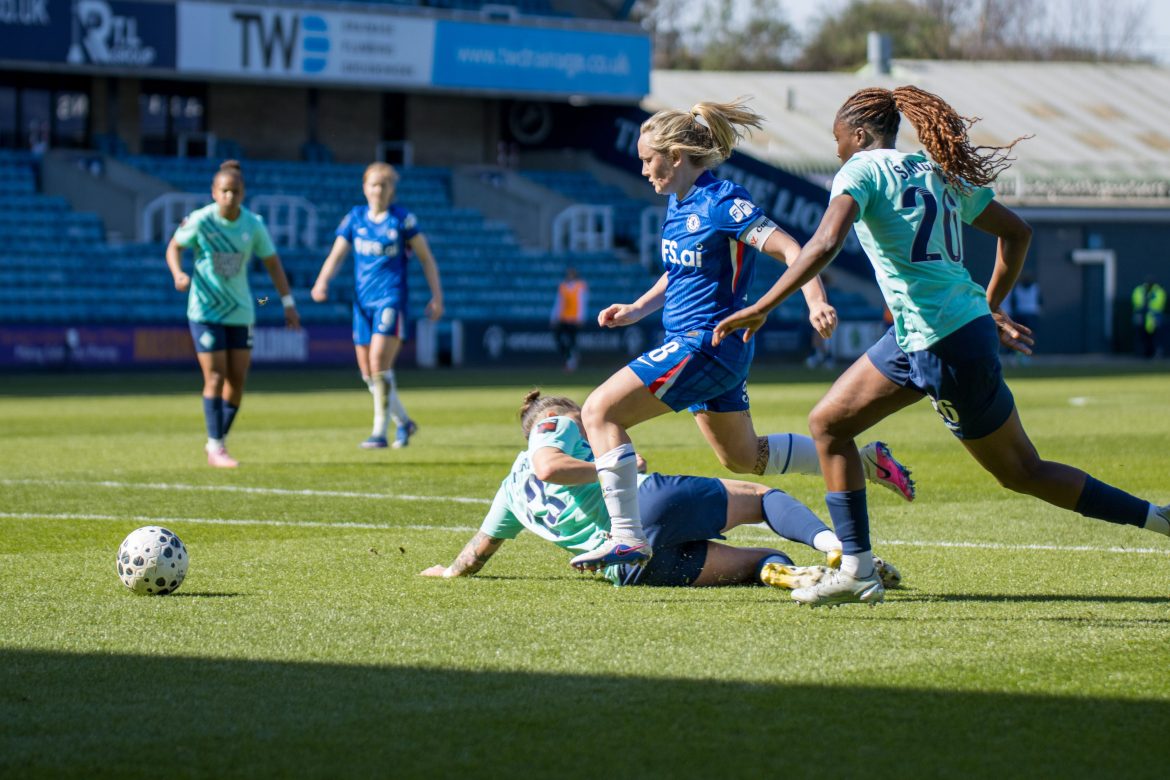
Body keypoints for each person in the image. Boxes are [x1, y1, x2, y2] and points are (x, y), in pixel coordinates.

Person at [713, 85, 1170, 607]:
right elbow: (1017, 233)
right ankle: (858, 569)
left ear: (859, 135)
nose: (837, 149)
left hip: (943, 344)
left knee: (1022, 472)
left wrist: (765, 303)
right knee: (829, 424)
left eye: (838, 139)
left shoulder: (859, 171)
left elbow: (824, 243)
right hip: (927, 334)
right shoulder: (937, 170)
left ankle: (1157, 518)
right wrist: (992, 305)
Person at [571, 99, 917, 573]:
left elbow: (794, 249)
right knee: (742, 457)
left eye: (647, 159)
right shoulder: (678, 203)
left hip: (706, 345)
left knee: (599, 410)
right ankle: (865, 459)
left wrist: (815, 300)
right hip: (707, 350)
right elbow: (678, 272)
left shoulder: (722, 202)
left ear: (675, 156)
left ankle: (627, 537)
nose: (644, 169)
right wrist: (637, 308)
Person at [420, 390, 902, 590]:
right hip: (644, 508)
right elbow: (547, 467)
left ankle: (793, 575)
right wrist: (612, 470)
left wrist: (449, 572)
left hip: (629, 572)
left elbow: (476, 555)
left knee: (761, 559)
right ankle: (835, 545)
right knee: (761, 500)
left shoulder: (507, 491)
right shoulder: (552, 425)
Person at [166, 159, 300, 468]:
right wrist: (178, 273)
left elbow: (272, 263)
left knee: (237, 381)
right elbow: (174, 247)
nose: (229, 197)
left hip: (241, 311)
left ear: (243, 193)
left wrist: (288, 302)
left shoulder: (253, 224)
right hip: (205, 310)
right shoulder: (200, 221)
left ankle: (217, 441)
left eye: (235, 192)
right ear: (213, 192)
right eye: (224, 191)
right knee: (215, 376)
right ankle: (216, 446)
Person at [311, 162, 444, 448]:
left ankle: (379, 432)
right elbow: (336, 255)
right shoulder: (355, 219)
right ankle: (405, 423)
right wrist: (322, 282)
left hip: (390, 299)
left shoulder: (402, 220)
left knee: (378, 363)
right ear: (365, 187)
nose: (378, 190)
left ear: (391, 190)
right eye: (373, 184)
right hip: (362, 303)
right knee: (368, 373)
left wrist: (437, 296)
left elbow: (426, 258)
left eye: (384, 185)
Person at [550, 266, 588, 372]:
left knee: (572, 341)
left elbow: (582, 303)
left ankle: (571, 362)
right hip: (563, 318)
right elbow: (558, 303)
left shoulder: (580, 286)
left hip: (574, 319)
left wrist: (581, 317)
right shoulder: (563, 286)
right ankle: (570, 358)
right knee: (559, 339)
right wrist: (554, 317)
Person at [1008, 273, 1042, 364]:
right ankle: (1018, 355)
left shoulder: (1033, 288)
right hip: (1024, 314)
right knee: (1019, 335)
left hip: (1027, 314)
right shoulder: (1021, 288)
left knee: (1027, 336)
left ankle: (1025, 355)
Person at [1132, 276, 1165, 359]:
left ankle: (1156, 353)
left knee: (1156, 337)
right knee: (1142, 337)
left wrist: (1149, 307)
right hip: (1143, 317)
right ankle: (1142, 354)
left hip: (1154, 317)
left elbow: (1159, 304)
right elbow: (1136, 302)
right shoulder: (1139, 290)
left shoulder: (1158, 291)